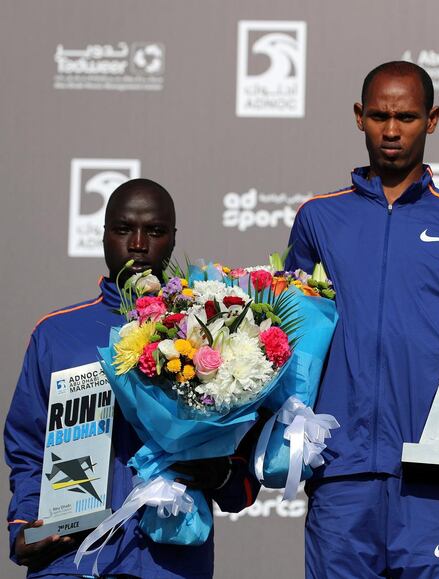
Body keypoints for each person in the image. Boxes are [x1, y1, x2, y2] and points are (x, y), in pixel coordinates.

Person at [285, 61, 439, 578]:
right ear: (359, 117)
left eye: (406, 117)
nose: (391, 130)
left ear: (432, 120)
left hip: (436, 473)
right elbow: (289, 341)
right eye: (379, 116)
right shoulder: (318, 218)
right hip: (340, 469)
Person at [5, 179, 257, 578]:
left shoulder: (210, 331)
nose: (138, 244)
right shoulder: (57, 333)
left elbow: (241, 459)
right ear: (104, 234)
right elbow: (27, 446)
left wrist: (222, 473)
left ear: (172, 239)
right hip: (71, 559)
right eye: (123, 229)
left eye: (154, 231)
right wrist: (24, 527)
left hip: (170, 561)